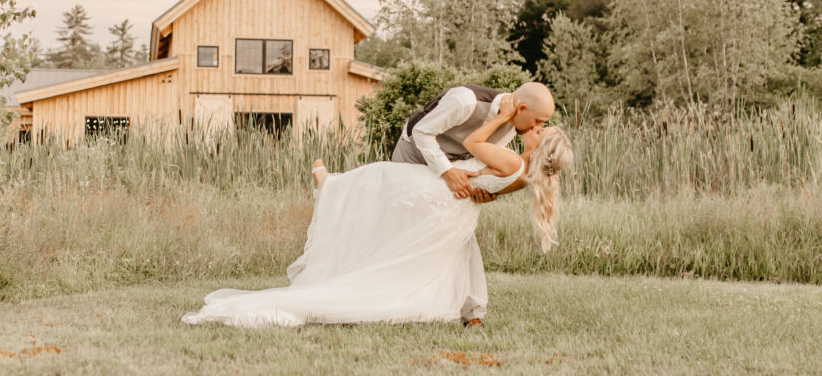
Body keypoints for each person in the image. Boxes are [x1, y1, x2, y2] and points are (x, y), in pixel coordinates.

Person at [181, 101, 573, 328]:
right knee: (440, 256)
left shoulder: (511, 160)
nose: (535, 129)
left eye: (540, 131)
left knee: (380, 178)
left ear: (539, 147)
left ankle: (330, 186)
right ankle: (474, 314)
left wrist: (502, 118)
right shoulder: (527, 178)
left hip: (440, 192)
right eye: (538, 124)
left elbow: (472, 141)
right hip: (458, 211)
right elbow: (487, 185)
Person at [392, 81, 556, 203]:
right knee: (398, 209)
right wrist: (447, 171)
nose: (537, 127)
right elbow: (421, 132)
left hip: (448, 175)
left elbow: (481, 159)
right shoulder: (465, 100)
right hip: (413, 155)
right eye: (538, 120)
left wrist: (487, 188)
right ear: (521, 109)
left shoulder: (514, 126)